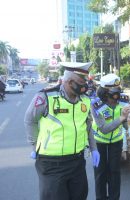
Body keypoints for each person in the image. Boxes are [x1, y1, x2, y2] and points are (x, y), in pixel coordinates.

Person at [24, 62, 100, 200]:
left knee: (80, 196)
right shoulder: (46, 97)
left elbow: (87, 124)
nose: (85, 85)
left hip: (77, 161)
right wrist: (35, 146)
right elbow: (30, 120)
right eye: (82, 82)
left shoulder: (85, 100)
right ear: (70, 81)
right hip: (51, 164)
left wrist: (94, 148)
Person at [91, 73, 130, 200]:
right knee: (100, 173)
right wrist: (122, 117)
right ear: (104, 92)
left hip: (116, 142)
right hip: (99, 142)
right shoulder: (95, 104)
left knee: (115, 172)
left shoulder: (123, 100)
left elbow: (125, 124)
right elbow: (104, 129)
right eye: (113, 93)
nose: (116, 97)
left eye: (118, 92)